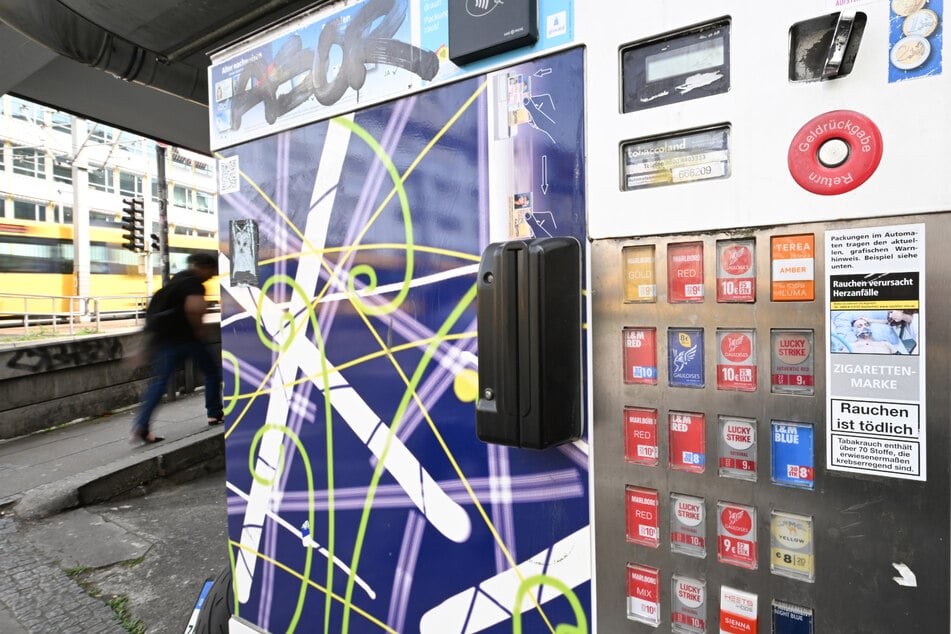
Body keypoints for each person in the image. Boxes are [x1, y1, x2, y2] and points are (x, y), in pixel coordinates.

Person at [131, 252, 224, 444]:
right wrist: (199, 330)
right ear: (201, 267)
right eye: (211, 270)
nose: (213, 275)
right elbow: (193, 308)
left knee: (159, 382)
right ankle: (214, 413)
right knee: (212, 372)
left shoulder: (177, 280)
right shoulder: (194, 284)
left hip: (165, 340)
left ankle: (142, 425)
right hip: (187, 339)